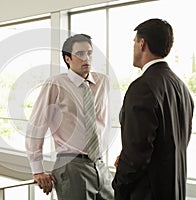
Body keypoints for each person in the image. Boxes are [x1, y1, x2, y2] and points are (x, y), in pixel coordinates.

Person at [112, 18, 194, 200]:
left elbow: (137, 154)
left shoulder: (142, 87)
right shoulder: (182, 88)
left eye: (134, 42)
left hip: (147, 193)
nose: (133, 47)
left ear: (142, 44)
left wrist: (119, 185)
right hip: (174, 190)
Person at [25, 34, 114, 200]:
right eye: (80, 54)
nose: (86, 58)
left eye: (89, 53)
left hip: (100, 165)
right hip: (71, 165)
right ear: (67, 59)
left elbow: (105, 121)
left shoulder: (103, 82)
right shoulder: (55, 84)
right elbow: (36, 126)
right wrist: (37, 169)